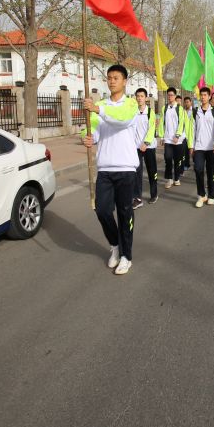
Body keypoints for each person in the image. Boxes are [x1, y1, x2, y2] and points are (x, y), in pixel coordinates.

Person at [80, 65, 139, 275]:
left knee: (124, 213)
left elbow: (121, 120)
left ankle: (126, 256)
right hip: (105, 167)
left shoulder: (131, 104)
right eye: (109, 78)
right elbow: (93, 129)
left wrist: (97, 110)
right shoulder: (101, 104)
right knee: (102, 210)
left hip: (125, 167)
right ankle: (115, 245)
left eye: (116, 78)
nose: (112, 81)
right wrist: (88, 137)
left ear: (124, 81)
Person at [188, 87, 214, 208]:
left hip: (211, 147)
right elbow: (191, 129)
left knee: (211, 171)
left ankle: (211, 196)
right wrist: (191, 146)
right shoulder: (195, 111)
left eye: (205, 95)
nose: (203, 97)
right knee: (198, 169)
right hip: (199, 147)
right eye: (201, 95)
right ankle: (201, 195)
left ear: (209, 97)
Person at [133, 88, 158, 209]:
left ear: (146, 98)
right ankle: (138, 198)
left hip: (149, 146)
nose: (139, 98)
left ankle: (154, 194)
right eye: (137, 96)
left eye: (141, 96)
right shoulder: (133, 112)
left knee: (151, 171)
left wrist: (146, 143)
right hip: (136, 147)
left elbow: (152, 129)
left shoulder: (150, 112)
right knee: (137, 173)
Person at [158, 87, 187, 189]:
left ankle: (177, 178)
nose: (170, 97)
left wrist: (177, 135)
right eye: (168, 95)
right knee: (168, 158)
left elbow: (182, 123)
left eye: (171, 95)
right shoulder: (164, 108)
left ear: (175, 96)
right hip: (168, 139)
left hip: (177, 140)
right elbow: (161, 123)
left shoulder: (180, 109)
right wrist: (161, 136)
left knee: (177, 159)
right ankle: (169, 179)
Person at [181, 95, 194, 172]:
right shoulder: (182, 111)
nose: (186, 104)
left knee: (192, 150)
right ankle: (186, 164)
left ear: (191, 102)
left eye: (187, 102)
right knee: (185, 150)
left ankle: (194, 161)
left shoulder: (194, 111)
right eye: (185, 102)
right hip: (184, 134)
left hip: (192, 133)